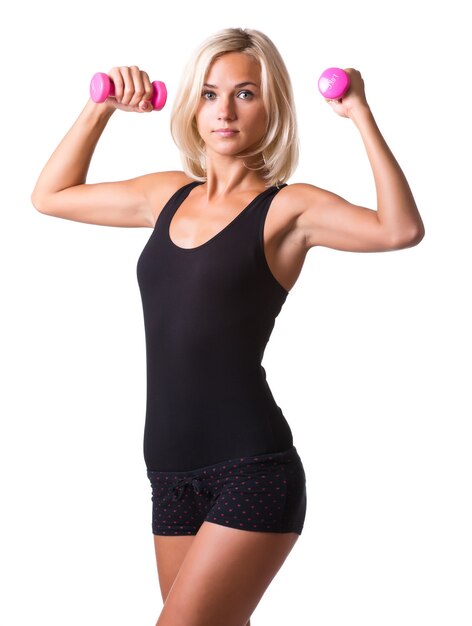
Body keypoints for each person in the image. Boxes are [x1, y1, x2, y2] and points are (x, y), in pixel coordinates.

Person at [31, 26, 424, 626]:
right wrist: (100, 105)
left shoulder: (291, 209)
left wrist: (360, 114)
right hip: (167, 470)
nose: (224, 110)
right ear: (192, 103)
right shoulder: (163, 195)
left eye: (245, 94)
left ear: (273, 108)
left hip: (252, 468)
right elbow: (51, 195)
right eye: (210, 93)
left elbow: (398, 230)